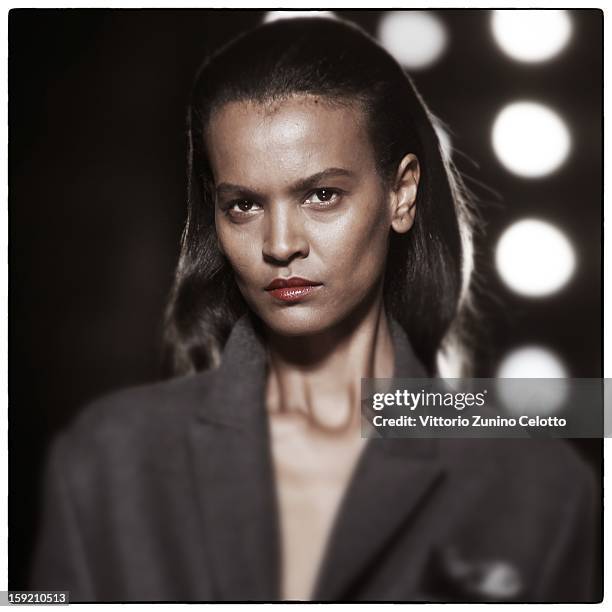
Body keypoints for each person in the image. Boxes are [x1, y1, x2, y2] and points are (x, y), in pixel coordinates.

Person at [29, 16, 600, 602]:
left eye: (321, 195)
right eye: (244, 205)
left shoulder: (537, 486)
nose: (280, 244)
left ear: (401, 193)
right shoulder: (108, 460)